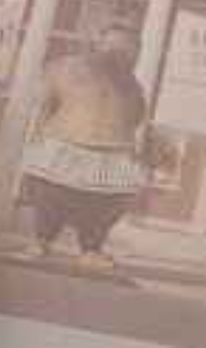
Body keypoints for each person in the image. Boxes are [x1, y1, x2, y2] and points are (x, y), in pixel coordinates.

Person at [22, 21, 149, 270]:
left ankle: (91, 249)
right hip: (64, 143)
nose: (118, 51)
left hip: (111, 152)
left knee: (108, 201)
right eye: (112, 43)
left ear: (133, 53)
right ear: (98, 43)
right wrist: (38, 135)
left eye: (126, 47)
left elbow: (135, 117)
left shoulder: (132, 86)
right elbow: (46, 103)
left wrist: (130, 148)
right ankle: (41, 241)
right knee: (50, 195)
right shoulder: (65, 67)